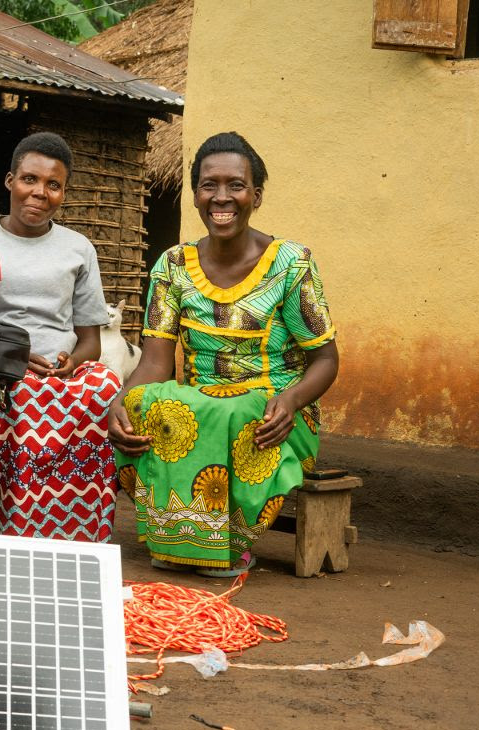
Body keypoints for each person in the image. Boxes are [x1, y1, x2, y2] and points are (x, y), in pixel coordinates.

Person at [109, 132, 339, 578]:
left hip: (275, 411)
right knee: (143, 403)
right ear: (195, 193)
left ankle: (227, 544)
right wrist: (121, 399)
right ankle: (178, 536)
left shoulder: (291, 264)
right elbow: (156, 362)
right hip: (198, 409)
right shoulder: (173, 266)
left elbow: (326, 360)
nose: (222, 197)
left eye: (235, 185)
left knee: (228, 415)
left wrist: (291, 401)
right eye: (209, 185)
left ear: (256, 194)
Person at [0, 133, 119, 542]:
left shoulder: (78, 249)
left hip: (59, 372)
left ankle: (80, 528)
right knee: (26, 395)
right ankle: (16, 525)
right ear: (10, 180)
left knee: (106, 386)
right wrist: (11, 357)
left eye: (53, 185)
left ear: (63, 193)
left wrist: (70, 363)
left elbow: (91, 343)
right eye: (30, 179)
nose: (40, 192)